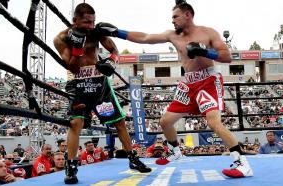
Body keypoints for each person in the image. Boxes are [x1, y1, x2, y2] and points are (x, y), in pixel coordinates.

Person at [95, 1, 253, 178]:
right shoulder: (172, 35)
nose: (172, 21)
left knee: (213, 122)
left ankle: (242, 163)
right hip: (188, 83)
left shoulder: (208, 32)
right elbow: (146, 37)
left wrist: (205, 52)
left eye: (175, 16)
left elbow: (227, 57)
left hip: (208, 79)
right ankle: (175, 151)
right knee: (165, 122)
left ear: (188, 14)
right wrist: (117, 32)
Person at [53, 3, 151, 184]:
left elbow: (115, 50)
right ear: (74, 21)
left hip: (100, 85)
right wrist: (77, 47)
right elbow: (73, 68)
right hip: (77, 84)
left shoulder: (97, 32)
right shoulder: (61, 38)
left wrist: (112, 62)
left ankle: (132, 158)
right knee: (76, 123)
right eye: (86, 22)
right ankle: (71, 166)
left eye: (92, 21)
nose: (90, 26)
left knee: (119, 122)